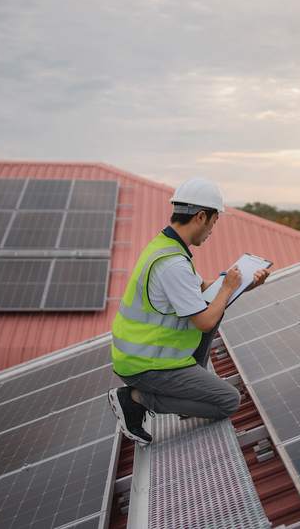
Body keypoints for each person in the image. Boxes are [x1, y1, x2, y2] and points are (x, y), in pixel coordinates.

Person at [108, 178, 270, 444]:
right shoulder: (173, 263)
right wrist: (227, 289)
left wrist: (243, 284)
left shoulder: (166, 246)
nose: (211, 231)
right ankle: (135, 398)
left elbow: (203, 290)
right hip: (146, 366)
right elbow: (204, 322)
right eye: (213, 223)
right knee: (227, 401)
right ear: (201, 216)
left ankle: (186, 393)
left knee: (213, 306)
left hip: (144, 354)